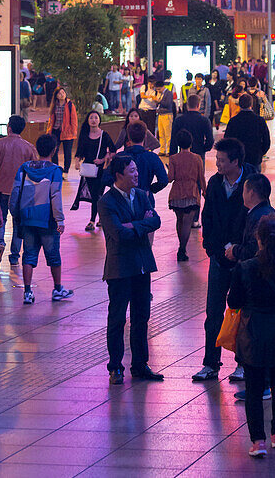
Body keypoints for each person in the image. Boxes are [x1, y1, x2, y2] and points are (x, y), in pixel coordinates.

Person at [227, 216, 275, 457]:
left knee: (254, 388)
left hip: (252, 334)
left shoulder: (244, 267)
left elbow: (234, 302)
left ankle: (258, 441)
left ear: (257, 238)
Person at [193, 138, 256, 383]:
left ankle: (242, 364)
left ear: (236, 161)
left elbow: (253, 220)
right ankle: (211, 364)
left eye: (221, 160)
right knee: (214, 314)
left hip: (243, 261)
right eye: (216, 159)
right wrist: (213, 248)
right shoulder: (216, 183)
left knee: (242, 312)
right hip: (219, 259)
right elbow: (207, 217)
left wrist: (239, 249)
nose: (217, 163)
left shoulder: (252, 183)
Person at [98, 153, 163, 384]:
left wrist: (134, 225)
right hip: (120, 267)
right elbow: (117, 233)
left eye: (136, 170)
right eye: (132, 171)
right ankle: (115, 366)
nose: (137, 175)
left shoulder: (142, 195)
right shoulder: (107, 202)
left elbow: (156, 221)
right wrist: (141, 225)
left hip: (142, 264)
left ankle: (140, 364)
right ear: (119, 175)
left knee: (141, 317)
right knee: (117, 319)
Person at [9, 133, 72, 305]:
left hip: (27, 218)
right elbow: (55, 195)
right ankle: (58, 289)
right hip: (47, 220)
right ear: (54, 150)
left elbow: (15, 192)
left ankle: (28, 292)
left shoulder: (24, 168)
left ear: (36, 149)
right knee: (53, 256)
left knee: (28, 255)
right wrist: (59, 220)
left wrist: (15, 213)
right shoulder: (54, 171)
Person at [0, 115, 36, 264]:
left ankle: (0, 242)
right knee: (18, 222)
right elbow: (33, 172)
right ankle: (14, 256)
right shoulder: (29, 147)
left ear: (9, 127)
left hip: (1, 189)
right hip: (20, 191)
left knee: (0, 217)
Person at [72, 110, 116, 232]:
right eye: (91, 118)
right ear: (88, 120)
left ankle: (92, 220)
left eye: (96, 118)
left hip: (100, 170)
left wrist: (103, 160)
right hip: (88, 170)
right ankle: (101, 218)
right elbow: (80, 150)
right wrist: (76, 162)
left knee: (97, 195)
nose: (93, 120)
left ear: (99, 120)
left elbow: (112, 150)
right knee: (96, 195)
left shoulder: (104, 135)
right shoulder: (85, 135)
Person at [168, 129, 207, 261]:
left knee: (179, 221)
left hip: (176, 194)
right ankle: (182, 249)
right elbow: (201, 178)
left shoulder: (173, 158)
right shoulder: (197, 158)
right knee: (187, 223)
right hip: (191, 193)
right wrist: (205, 192)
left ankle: (181, 246)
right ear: (191, 143)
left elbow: (170, 178)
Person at [109, 122, 168, 205]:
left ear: (128, 137)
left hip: (123, 200)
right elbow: (164, 180)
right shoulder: (152, 157)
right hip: (145, 199)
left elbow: (107, 179)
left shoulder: (119, 157)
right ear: (145, 136)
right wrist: (150, 189)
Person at [224, 93, 271, 169]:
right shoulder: (259, 120)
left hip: (238, 158)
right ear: (251, 105)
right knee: (254, 179)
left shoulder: (233, 121)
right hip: (254, 157)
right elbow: (267, 141)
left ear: (239, 105)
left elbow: (227, 140)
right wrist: (260, 153)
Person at [169, 94, 214, 161]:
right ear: (198, 105)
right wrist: (203, 149)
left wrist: (172, 156)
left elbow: (173, 140)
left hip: (183, 153)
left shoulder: (179, 120)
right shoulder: (204, 120)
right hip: (199, 153)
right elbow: (210, 140)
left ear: (187, 105)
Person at [46, 86, 78, 179]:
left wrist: (73, 131)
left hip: (67, 131)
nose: (62, 94)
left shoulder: (70, 105)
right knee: (54, 151)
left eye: (63, 92)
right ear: (56, 96)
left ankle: (66, 172)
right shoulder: (54, 105)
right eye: (60, 93)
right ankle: (56, 170)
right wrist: (49, 130)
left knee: (67, 153)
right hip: (55, 131)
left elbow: (74, 119)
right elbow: (51, 119)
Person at [155, 80, 175, 156]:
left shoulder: (169, 93)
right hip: (160, 114)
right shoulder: (160, 93)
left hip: (167, 115)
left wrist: (158, 100)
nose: (158, 91)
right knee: (161, 133)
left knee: (168, 133)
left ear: (163, 87)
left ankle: (169, 150)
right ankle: (162, 150)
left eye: (159, 89)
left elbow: (168, 103)